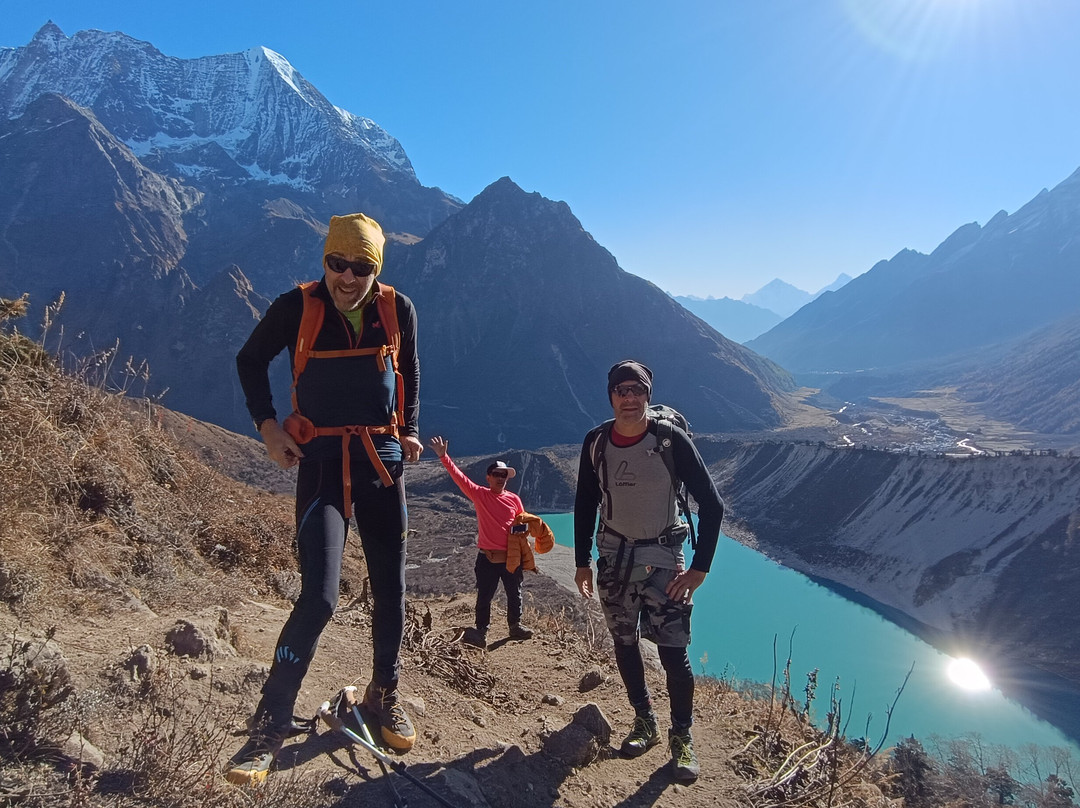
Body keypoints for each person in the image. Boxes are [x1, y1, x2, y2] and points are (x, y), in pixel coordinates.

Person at [228, 212, 423, 785]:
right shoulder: (297, 306)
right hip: (319, 463)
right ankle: (268, 725)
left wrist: (409, 427)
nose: (347, 277)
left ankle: (382, 694)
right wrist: (267, 427)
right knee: (319, 597)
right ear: (325, 262)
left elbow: (409, 365)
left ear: (375, 268)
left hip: (381, 459)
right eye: (337, 264)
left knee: (392, 585)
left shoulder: (397, 308)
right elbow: (249, 359)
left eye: (361, 267)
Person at [573, 360, 724, 785]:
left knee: (674, 652)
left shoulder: (669, 440)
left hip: (664, 563)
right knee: (624, 644)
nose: (629, 398)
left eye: (637, 390)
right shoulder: (596, 443)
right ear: (611, 396)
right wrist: (581, 560)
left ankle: (682, 735)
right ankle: (645, 720)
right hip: (614, 561)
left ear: (648, 395)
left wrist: (699, 569)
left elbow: (713, 506)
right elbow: (585, 502)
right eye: (621, 390)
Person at [429, 436, 534, 648]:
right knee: (484, 597)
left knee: (515, 593)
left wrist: (526, 538)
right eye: (497, 474)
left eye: (504, 475)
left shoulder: (514, 499)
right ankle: (482, 631)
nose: (501, 478)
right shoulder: (480, 495)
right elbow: (459, 478)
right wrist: (443, 456)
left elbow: (522, 521)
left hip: (511, 558)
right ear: (488, 477)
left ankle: (515, 626)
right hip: (487, 557)